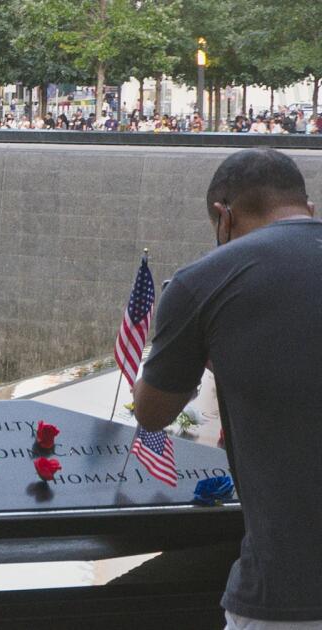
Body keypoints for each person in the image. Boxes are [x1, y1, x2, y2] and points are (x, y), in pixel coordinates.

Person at [132, 148, 321, 626]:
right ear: (308, 208)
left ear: (224, 215)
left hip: (287, 592)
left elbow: (152, 412)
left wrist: (215, 361)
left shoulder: (204, 282)